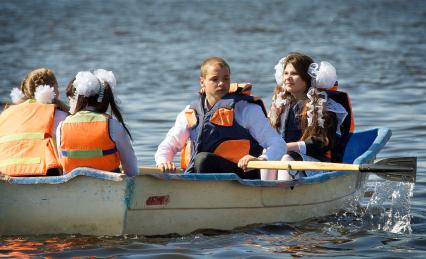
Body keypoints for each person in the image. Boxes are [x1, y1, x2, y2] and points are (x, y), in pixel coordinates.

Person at [155, 57, 286, 179]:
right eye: (215, 79)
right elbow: (169, 144)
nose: (221, 83)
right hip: (201, 173)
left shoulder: (246, 109)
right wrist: (164, 162)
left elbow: (278, 144)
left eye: (226, 78)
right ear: (202, 82)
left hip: (242, 176)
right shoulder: (190, 111)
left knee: (203, 159)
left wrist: (261, 159)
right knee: (202, 160)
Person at [261, 52, 351, 180]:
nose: (288, 78)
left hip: (315, 161)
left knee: (287, 158)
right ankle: (266, 192)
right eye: (286, 73)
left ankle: (284, 194)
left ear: (307, 77)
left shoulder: (323, 106)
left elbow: (322, 143)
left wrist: (288, 147)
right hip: (283, 156)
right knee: (268, 155)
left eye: (294, 74)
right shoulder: (280, 104)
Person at [56, 69, 138, 176]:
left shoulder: (61, 127)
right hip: (109, 186)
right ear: (105, 99)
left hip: (73, 188)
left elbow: (62, 162)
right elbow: (131, 169)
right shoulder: (112, 125)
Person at [0, 68, 69, 176]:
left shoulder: (6, 113)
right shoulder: (59, 115)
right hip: (41, 172)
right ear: (51, 91)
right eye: (56, 87)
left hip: (5, 173)